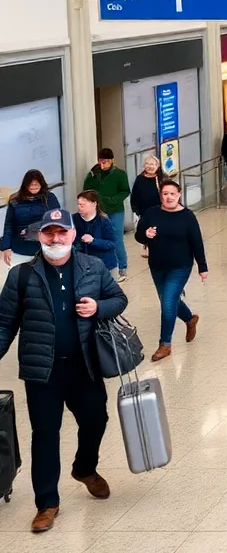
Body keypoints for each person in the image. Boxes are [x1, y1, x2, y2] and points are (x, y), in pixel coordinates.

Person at [0, 207, 128, 533]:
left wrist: (99, 307)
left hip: (84, 366)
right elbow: (4, 325)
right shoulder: (21, 275)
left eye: (62, 232)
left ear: (72, 234)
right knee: (45, 434)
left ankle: (85, 468)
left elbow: (118, 298)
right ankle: (47, 504)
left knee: (96, 420)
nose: (55, 238)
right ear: (39, 236)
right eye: (49, 232)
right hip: (42, 370)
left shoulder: (93, 268)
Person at [134, 180, 207, 362]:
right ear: (161, 196)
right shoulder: (151, 213)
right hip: (157, 265)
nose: (168, 197)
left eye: (172, 194)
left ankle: (165, 344)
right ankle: (190, 319)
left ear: (179, 195)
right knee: (170, 300)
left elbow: (197, 242)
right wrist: (146, 235)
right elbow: (138, 235)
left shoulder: (187, 216)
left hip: (180, 266)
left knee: (167, 303)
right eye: (165, 194)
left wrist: (202, 267)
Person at [82, 149, 130, 280]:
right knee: (99, 238)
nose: (104, 163)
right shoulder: (93, 174)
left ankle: (122, 268)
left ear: (112, 161)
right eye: (102, 160)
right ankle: (105, 267)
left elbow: (125, 191)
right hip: (98, 211)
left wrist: (113, 200)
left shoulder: (119, 174)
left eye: (107, 161)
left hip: (115, 211)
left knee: (116, 238)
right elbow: (86, 190)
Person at [2, 170, 61, 271]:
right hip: (20, 249)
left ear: (41, 184)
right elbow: (9, 225)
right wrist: (5, 247)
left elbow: (56, 221)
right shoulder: (15, 201)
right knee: (20, 281)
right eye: (31, 184)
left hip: (45, 248)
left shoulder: (50, 198)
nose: (34, 187)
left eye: (36, 184)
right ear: (25, 185)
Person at [72, 191, 119, 276]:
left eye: (82, 205)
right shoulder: (73, 219)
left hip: (105, 265)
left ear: (94, 204)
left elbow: (112, 243)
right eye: (78, 204)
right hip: (82, 266)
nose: (79, 208)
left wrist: (93, 241)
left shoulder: (104, 221)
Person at [129, 154, 163, 259]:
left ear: (157, 165)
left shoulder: (162, 178)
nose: (149, 166)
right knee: (147, 231)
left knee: (160, 230)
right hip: (144, 211)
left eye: (152, 164)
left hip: (160, 210)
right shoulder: (140, 179)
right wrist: (136, 209)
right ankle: (149, 247)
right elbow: (134, 195)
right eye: (147, 164)